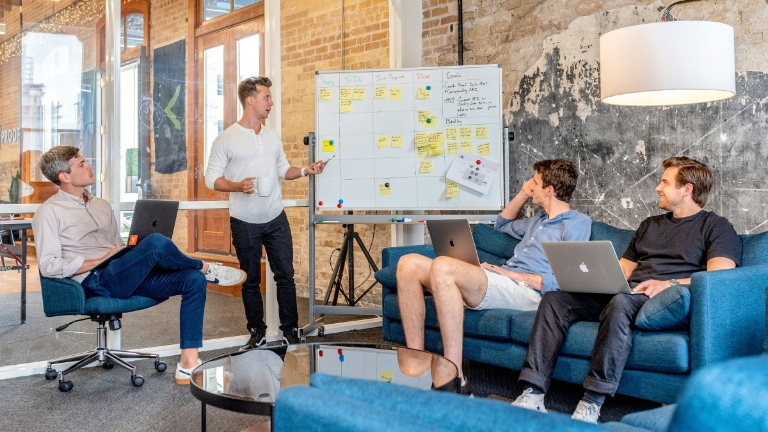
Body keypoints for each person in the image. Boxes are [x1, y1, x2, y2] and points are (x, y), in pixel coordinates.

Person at [511, 156, 742, 423]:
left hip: (664, 299)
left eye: (665, 182)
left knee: (620, 302)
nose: (657, 187)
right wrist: (592, 280)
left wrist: (669, 284)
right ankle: (533, 393)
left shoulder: (716, 226)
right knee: (555, 299)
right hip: (629, 293)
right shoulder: (650, 225)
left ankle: (592, 401)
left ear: (686, 189)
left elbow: (719, 276)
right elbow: (622, 270)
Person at [33, 145, 246, 385]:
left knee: (192, 279)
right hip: (95, 280)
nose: (89, 165)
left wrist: (130, 252)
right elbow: (49, 265)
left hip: (120, 272)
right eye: (81, 164)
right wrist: (99, 260)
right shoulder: (49, 212)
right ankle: (205, 267)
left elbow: (116, 246)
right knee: (156, 243)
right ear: (64, 176)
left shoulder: (101, 205)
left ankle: (188, 364)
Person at [397, 159, 592, 394]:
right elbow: (501, 224)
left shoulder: (577, 223)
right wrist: (523, 193)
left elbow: (567, 279)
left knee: (443, 266)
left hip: (529, 292)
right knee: (408, 264)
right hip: (504, 281)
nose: (530, 185)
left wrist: (514, 274)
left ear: (549, 190)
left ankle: (455, 378)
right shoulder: (537, 222)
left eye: (535, 182)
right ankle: (416, 357)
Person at [205, 76, 327, 350]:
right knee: (250, 279)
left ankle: (290, 331)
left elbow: (283, 170)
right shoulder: (226, 139)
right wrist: (238, 185)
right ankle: (257, 333)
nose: (271, 102)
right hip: (244, 221)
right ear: (250, 100)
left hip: (275, 217)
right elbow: (211, 179)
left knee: (285, 276)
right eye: (266, 97)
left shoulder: (272, 136)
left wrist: (306, 170)